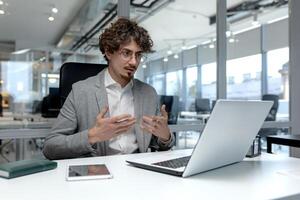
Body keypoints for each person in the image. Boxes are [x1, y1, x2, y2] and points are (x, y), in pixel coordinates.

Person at [43, 18, 175, 160]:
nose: (134, 62)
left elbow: (159, 144)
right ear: (109, 52)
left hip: (138, 173)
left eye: (138, 55)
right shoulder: (80, 91)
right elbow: (51, 147)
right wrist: (93, 135)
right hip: (97, 174)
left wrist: (165, 136)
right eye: (126, 53)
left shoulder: (148, 93)